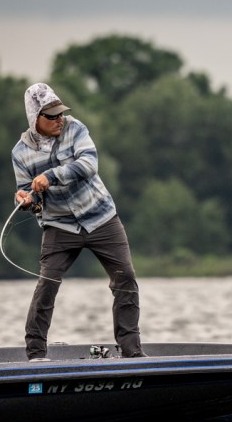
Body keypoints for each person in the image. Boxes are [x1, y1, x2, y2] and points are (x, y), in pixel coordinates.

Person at [12, 83, 144, 360]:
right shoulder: (20, 153)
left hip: (101, 218)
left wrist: (50, 176)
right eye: (51, 116)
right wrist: (26, 200)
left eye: (60, 113)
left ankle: (132, 351)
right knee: (47, 285)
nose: (59, 119)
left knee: (125, 279)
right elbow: (31, 197)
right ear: (35, 118)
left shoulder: (76, 129)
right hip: (59, 226)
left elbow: (89, 165)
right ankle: (36, 354)